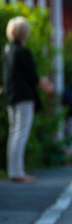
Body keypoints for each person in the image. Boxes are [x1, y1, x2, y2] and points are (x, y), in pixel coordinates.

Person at [2, 16, 54, 183]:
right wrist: (44, 84)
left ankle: (14, 170)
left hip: (11, 96)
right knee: (21, 133)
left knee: (13, 133)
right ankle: (18, 172)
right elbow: (32, 76)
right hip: (24, 96)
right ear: (25, 33)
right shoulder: (23, 52)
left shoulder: (7, 50)